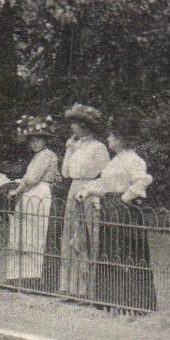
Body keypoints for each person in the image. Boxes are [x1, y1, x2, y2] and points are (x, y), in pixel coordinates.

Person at [77, 125, 156, 313]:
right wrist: (87, 190)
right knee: (110, 251)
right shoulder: (115, 161)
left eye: (112, 136)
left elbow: (142, 181)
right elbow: (105, 184)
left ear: (121, 139)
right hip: (110, 208)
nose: (109, 140)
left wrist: (124, 199)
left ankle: (132, 303)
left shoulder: (134, 160)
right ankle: (110, 299)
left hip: (124, 210)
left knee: (126, 252)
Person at [57, 104, 111, 300]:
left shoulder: (99, 148)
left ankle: (86, 290)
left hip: (88, 191)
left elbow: (106, 176)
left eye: (76, 124)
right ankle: (69, 287)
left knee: (85, 239)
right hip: (74, 189)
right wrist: (69, 151)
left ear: (85, 126)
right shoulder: (75, 146)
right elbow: (65, 173)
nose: (72, 127)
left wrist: (93, 192)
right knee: (70, 238)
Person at [3, 116, 62, 288]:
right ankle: (21, 275)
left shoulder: (46, 155)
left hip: (38, 193)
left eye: (39, 140)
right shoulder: (38, 156)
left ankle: (32, 277)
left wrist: (17, 190)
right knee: (25, 233)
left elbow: (32, 179)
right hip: (31, 193)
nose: (35, 143)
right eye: (32, 140)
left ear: (45, 141)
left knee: (35, 234)